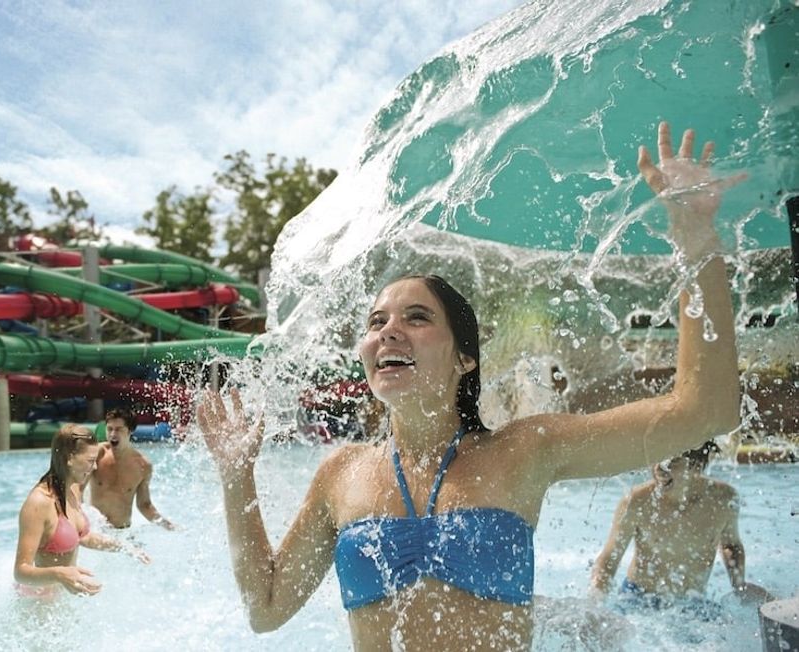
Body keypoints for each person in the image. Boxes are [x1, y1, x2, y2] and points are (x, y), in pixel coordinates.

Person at [196, 122, 743, 650]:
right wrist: (237, 475)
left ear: (464, 359)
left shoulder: (524, 451)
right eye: (376, 322)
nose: (388, 331)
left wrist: (695, 236)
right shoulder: (341, 474)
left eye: (416, 318)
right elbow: (267, 609)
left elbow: (704, 410)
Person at [590, 440, 774, 609]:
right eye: (655, 458)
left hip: (693, 603)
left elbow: (731, 545)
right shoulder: (637, 501)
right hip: (638, 599)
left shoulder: (723, 499)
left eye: (671, 461)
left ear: (696, 464)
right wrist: (595, 601)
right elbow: (609, 558)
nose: (659, 468)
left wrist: (739, 586)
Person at [14, 424, 149, 598]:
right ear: (70, 458)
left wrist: (125, 547)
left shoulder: (72, 489)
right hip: (38, 603)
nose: (95, 467)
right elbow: (20, 572)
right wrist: (59, 574)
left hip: (62, 596)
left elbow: (83, 536)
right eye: (90, 461)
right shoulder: (39, 503)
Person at [87, 409, 175, 530]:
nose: (113, 434)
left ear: (130, 431)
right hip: (96, 529)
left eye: (119, 429)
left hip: (122, 532)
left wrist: (169, 527)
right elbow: (77, 488)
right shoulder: (96, 454)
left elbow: (144, 506)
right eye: (109, 429)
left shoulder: (143, 465)